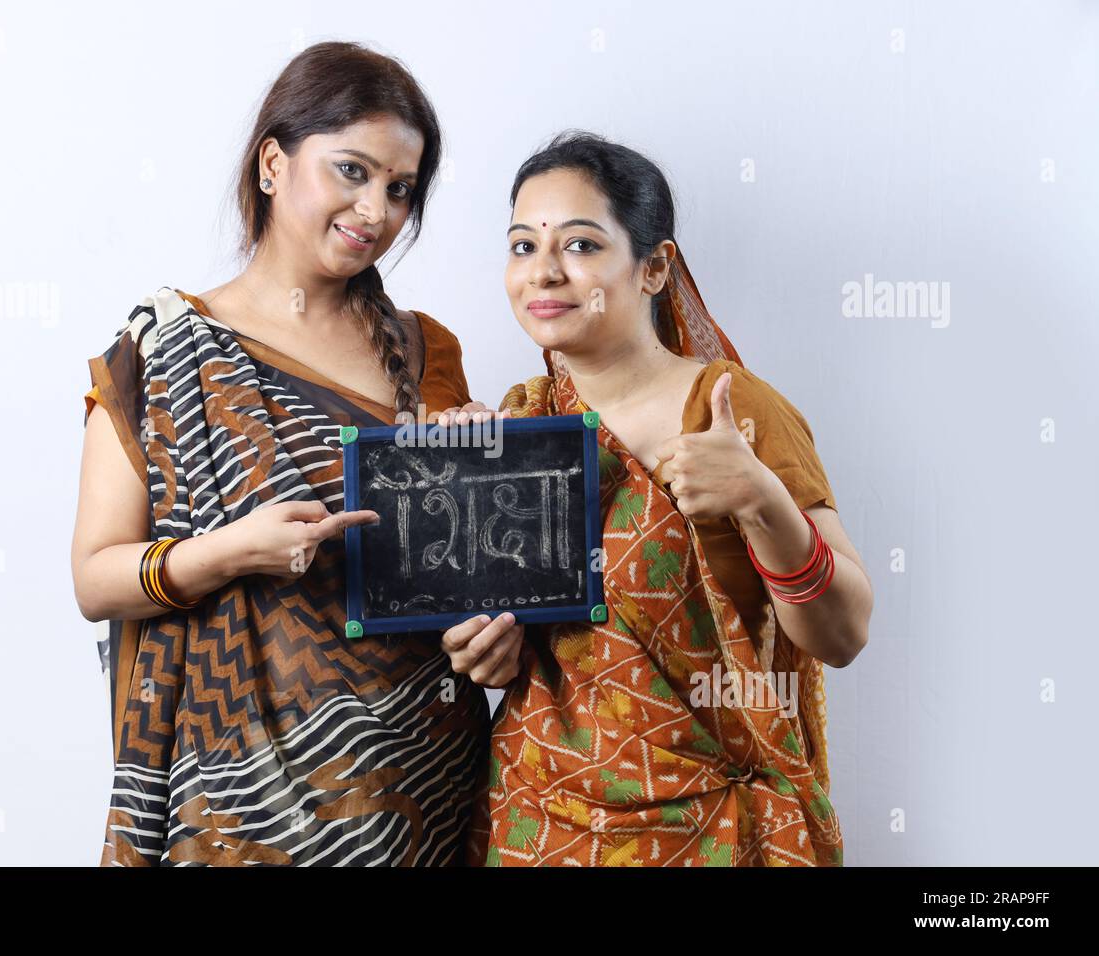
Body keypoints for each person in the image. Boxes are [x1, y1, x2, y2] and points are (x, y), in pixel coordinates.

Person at [70, 41, 490, 866]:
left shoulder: (423, 351)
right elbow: (94, 578)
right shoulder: (163, 355)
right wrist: (231, 553)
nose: (376, 210)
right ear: (272, 163)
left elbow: (464, 585)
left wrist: (494, 608)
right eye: (352, 171)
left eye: (400, 189)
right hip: (236, 798)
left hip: (420, 785)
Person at [443, 131, 873, 866]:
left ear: (653, 266)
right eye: (522, 247)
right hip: (538, 823)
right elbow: (518, 653)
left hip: (709, 831)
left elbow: (844, 635)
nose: (543, 272)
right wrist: (482, 653)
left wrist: (764, 502)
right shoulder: (517, 425)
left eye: (579, 245)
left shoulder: (731, 412)